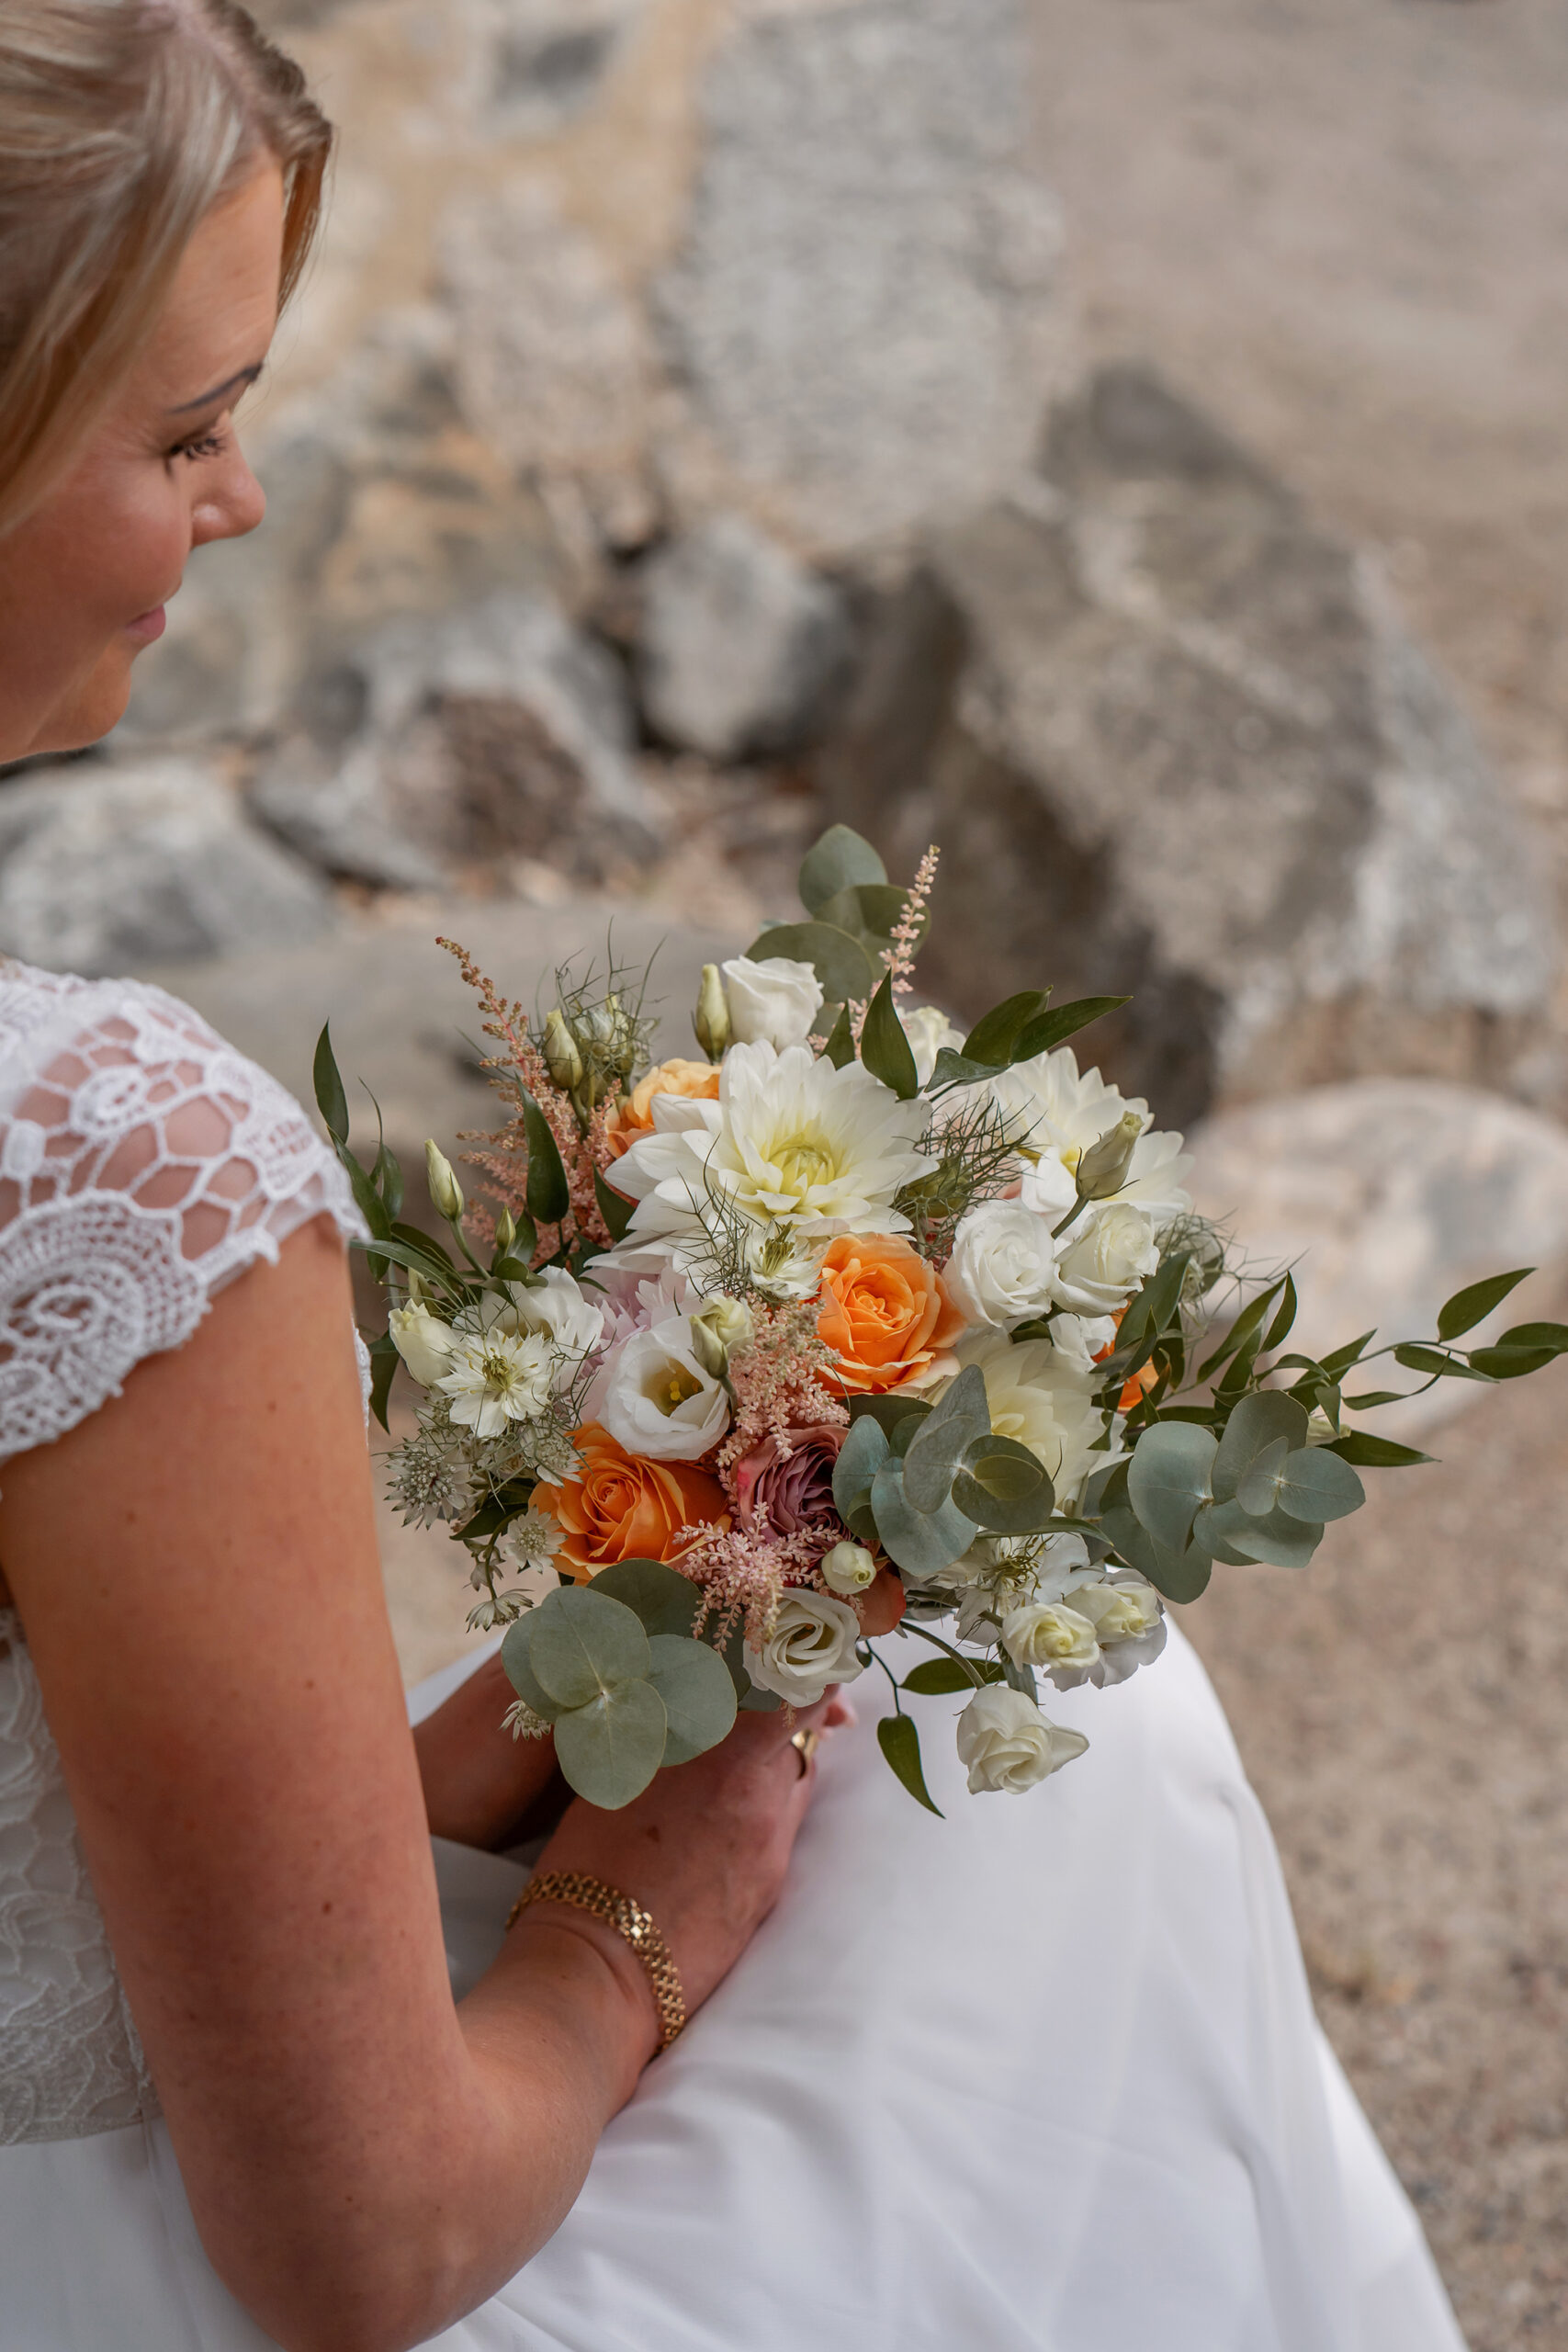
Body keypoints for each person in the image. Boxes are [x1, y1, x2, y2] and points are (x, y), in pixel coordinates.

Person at [0, 7, 1467, 2348]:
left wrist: (567, 1699)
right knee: (1067, 1733)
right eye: (182, 425)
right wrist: (635, 1909)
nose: (244, 494)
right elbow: (356, 2249)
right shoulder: (103, 1167)